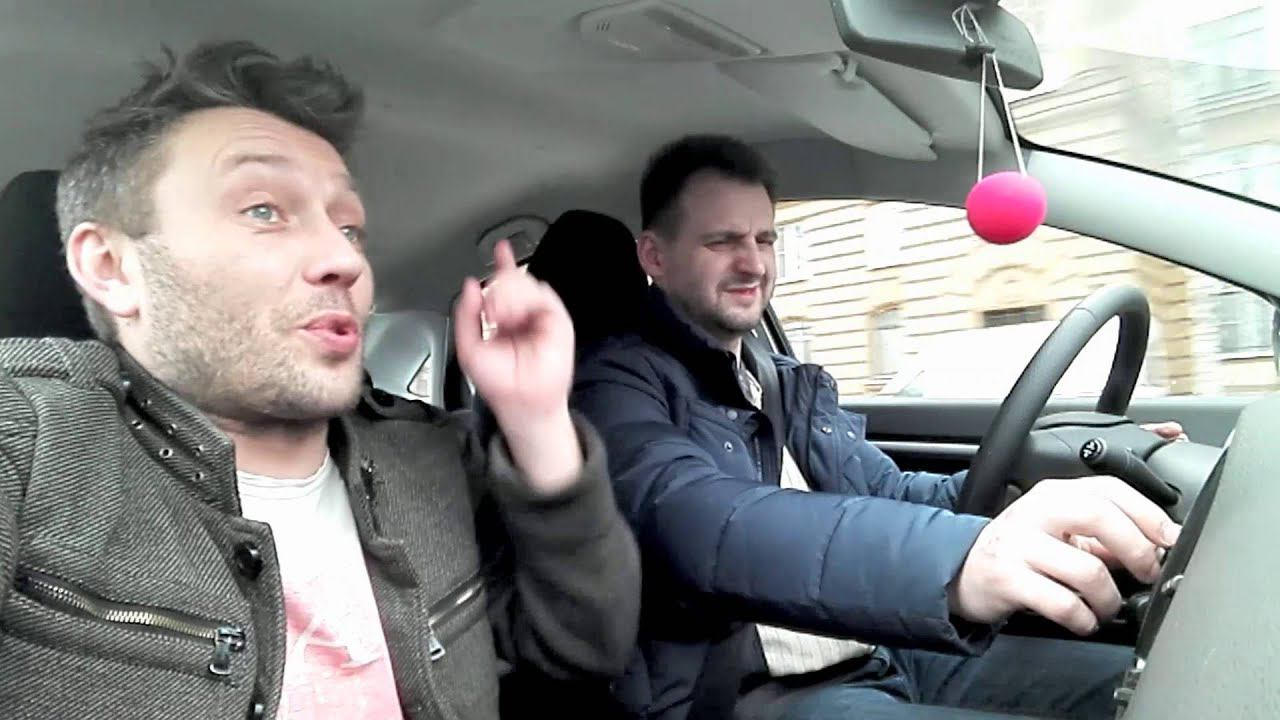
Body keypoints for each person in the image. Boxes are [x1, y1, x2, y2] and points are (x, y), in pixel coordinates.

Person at [0, 41, 639, 720]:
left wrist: (537, 419)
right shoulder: (33, 443)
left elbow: (586, 647)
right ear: (111, 268)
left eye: (351, 228)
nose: (344, 258)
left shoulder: (432, 461)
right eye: (263, 210)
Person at [571, 133, 1186, 720]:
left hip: (881, 648)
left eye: (764, 239)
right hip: (749, 691)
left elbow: (891, 494)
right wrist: (957, 559)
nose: (752, 262)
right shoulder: (608, 388)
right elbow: (698, 519)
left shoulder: (784, 382)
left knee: (1151, 688)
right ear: (655, 256)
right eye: (722, 241)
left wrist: (1043, 492)